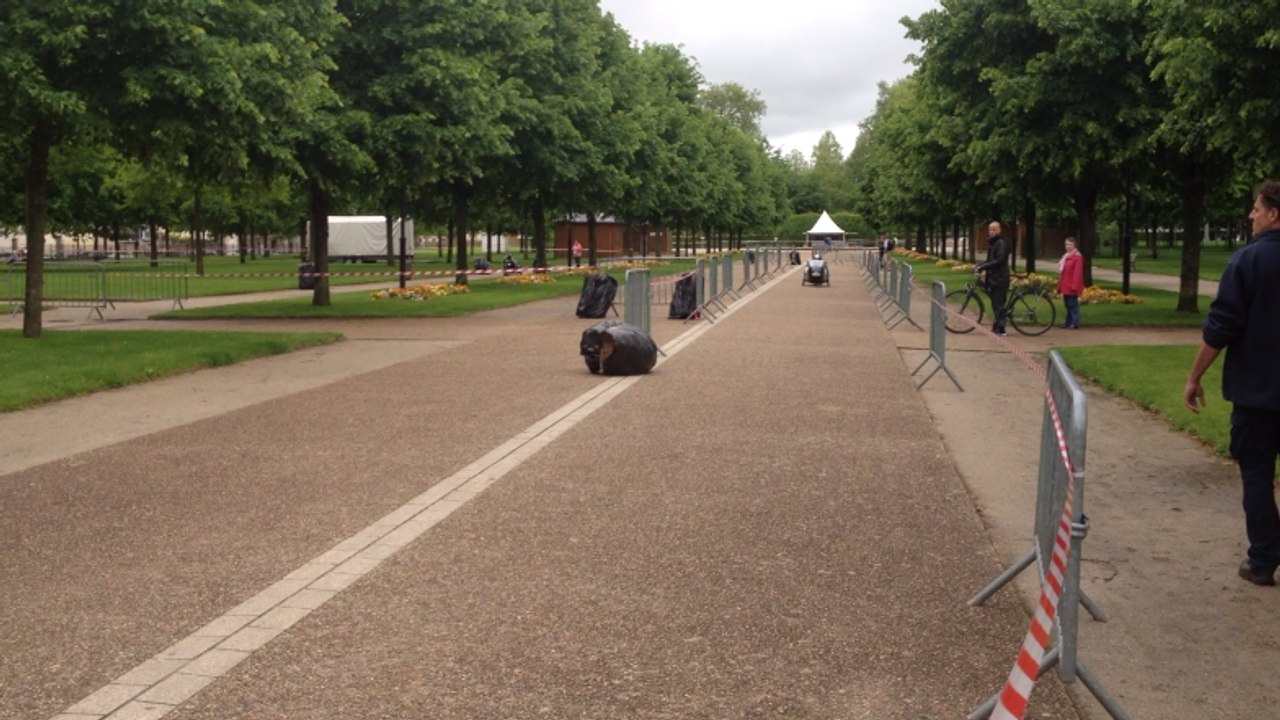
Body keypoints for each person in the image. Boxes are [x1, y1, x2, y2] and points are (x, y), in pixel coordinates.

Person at [1183, 180, 1280, 586]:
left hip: (1258, 392)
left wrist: (1194, 377)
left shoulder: (1248, 261)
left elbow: (1222, 326)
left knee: (1256, 474)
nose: (1251, 216)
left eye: (1256, 209)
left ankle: (1263, 559)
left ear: (1273, 214)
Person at [974, 220, 1010, 336]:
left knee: (998, 304)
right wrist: (980, 265)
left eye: (994, 229)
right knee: (995, 303)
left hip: (1000, 278)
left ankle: (1001, 329)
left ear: (999, 230)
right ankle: (996, 326)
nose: (991, 232)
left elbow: (999, 260)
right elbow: (990, 260)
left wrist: (983, 266)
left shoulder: (1001, 243)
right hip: (995, 278)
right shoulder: (994, 243)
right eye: (990, 229)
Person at [1057, 237, 1085, 329]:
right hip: (1065, 285)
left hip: (1071, 285)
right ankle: (1068, 322)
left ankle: (1074, 322)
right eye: (1067, 244)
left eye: (1070, 244)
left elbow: (1077, 273)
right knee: (1068, 305)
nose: (1068, 246)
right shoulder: (1066, 257)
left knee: (1072, 304)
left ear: (1074, 245)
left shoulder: (1077, 257)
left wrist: (1075, 285)